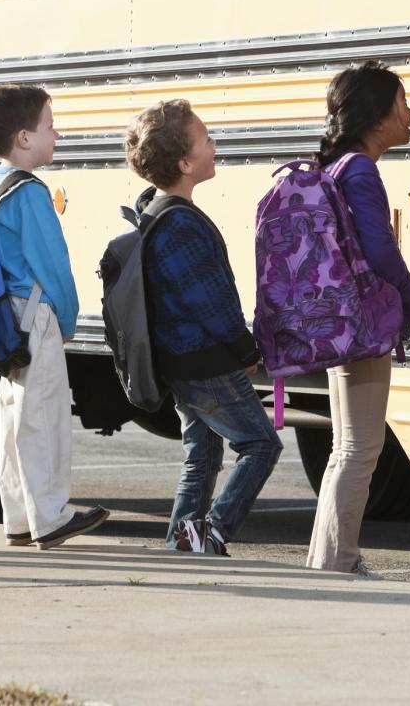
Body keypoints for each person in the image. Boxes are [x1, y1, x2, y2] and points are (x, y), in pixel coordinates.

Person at [125, 99, 281, 556]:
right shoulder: (181, 225)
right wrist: (245, 349)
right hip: (205, 359)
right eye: (207, 139)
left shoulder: (155, 210)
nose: (215, 145)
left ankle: (182, 539)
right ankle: (211, 532)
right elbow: (208, 301)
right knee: (260, 444)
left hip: (180, 359)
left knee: (203, 452)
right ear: (185, 162)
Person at [0, 84, 110, 549]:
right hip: (36, 313)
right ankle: (51, 516)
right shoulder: (31, 192)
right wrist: (68, 318)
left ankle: (20, 517)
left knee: (13, 417)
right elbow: (52, 264)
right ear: (24, 138)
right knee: (45, 414)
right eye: (50, 127)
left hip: (6, 315)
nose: (57, 134)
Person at [306, 62, 410, 576]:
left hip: (341, 319)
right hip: (364, 323)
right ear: (377, 115)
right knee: (360, 447)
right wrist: (409, 299)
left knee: (344, 446)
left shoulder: (337, 166)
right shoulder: (359, 170)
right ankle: (341, 559)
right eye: (403, 102)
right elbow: (378, 246)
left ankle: (327, 556)